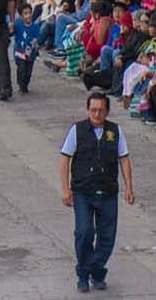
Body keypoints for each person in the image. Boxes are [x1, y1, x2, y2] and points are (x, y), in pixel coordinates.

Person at [58, 90, 136, 292]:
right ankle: (84, 274)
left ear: (107, 111)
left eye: (101, 110)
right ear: (87, 110)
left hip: (108, 190)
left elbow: (124, 158)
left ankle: (95, 270)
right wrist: (65, 189)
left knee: (107, 236)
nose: (97, 114)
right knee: (84, 232)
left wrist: (129, 187)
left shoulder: (115, 131)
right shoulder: (77, 130)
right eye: (93, 110)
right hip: (83, 191)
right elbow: (64, 159)